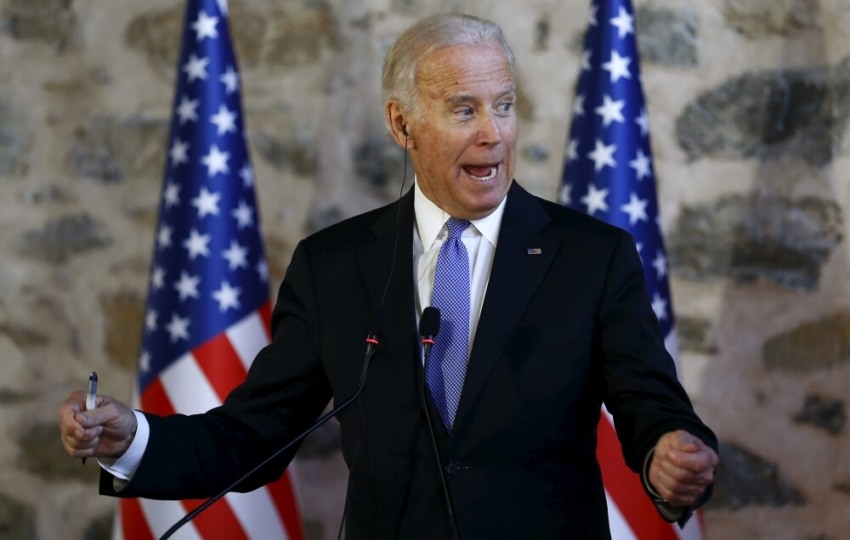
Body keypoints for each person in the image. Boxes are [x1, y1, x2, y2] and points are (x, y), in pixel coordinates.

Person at [59, 13, 718, 539]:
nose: (494, 135)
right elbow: (252, 436)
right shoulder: (334, 266)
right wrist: (132, 439)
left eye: (505, 105)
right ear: (402, 123)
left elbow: (650, 404)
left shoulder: (590, 256)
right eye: (465, 110)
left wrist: (670, 452)